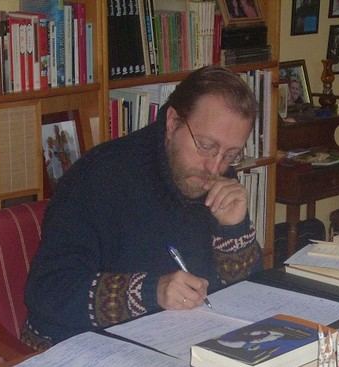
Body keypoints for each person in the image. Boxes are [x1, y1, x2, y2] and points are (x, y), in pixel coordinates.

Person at [22, 66, 262, 347]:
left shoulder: (218, 177)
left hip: (178, 337)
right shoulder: (98, 177)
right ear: (172, 122)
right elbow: (48, 292)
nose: (215, 166)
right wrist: (152, 292)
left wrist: (234, 230)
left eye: (231, 154)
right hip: (78, 346)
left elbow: (247, 292)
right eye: (206, 146)